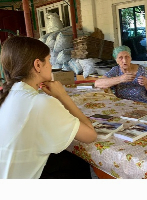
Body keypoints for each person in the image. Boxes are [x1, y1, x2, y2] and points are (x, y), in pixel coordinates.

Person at [0, 36, 97, 179]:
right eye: (49, 60)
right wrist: (62, 96)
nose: (51, 66)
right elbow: (90, 135)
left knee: (68, 158)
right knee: (80, 163)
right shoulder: (40, 102)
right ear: (38, 65)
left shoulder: (9, 95)